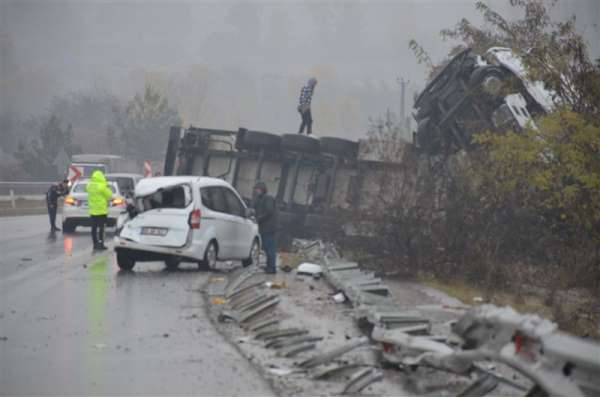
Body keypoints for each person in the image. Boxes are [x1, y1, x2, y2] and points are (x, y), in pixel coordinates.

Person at [252, 181, 278, 274]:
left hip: (268, 228)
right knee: (267, 248)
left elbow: (269, 212)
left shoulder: (268, 199)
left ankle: (271, 268)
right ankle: (269, 266)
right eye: (255, 189)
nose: (256, 191)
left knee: (270, 248)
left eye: (258, 189)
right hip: (264, 228)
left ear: (262, 190)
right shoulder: (259, 199)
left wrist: (258, 219)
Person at [86, 170, 112, 250]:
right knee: (101, 228)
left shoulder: (89, 186)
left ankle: (95, 244)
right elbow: (109, 196)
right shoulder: (102, 186)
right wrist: (107, 187)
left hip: (93, 211)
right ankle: (101, 243)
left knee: (93, 228)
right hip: (101, 211)